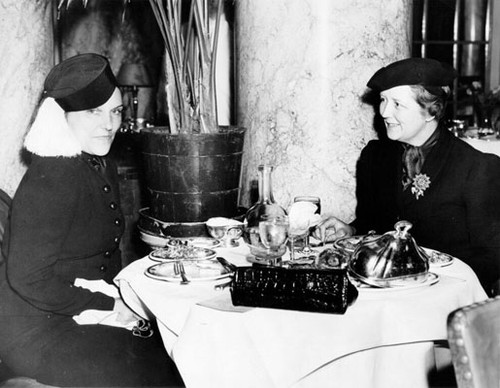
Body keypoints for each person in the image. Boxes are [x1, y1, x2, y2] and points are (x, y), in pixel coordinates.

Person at [0, 53, 184, 387]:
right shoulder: (55, 175)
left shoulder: (99, 161)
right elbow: (27, 278)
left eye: (115, 111)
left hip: (79, 309)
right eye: (93, 112)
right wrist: (110, 304)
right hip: (37, 328)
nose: (109, 124)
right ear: (62, 117)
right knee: (153, 371)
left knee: (176, 349)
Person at [316, 57, 500, 296]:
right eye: (383, 100)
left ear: (430, 111)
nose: (383, 111)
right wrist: (350, 231)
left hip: (444, 302)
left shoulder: (476, 167)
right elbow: (370, 222)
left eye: (397, 104)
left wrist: (434, 285)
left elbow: (493, 256)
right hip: (381, 293)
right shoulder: (375, 157)